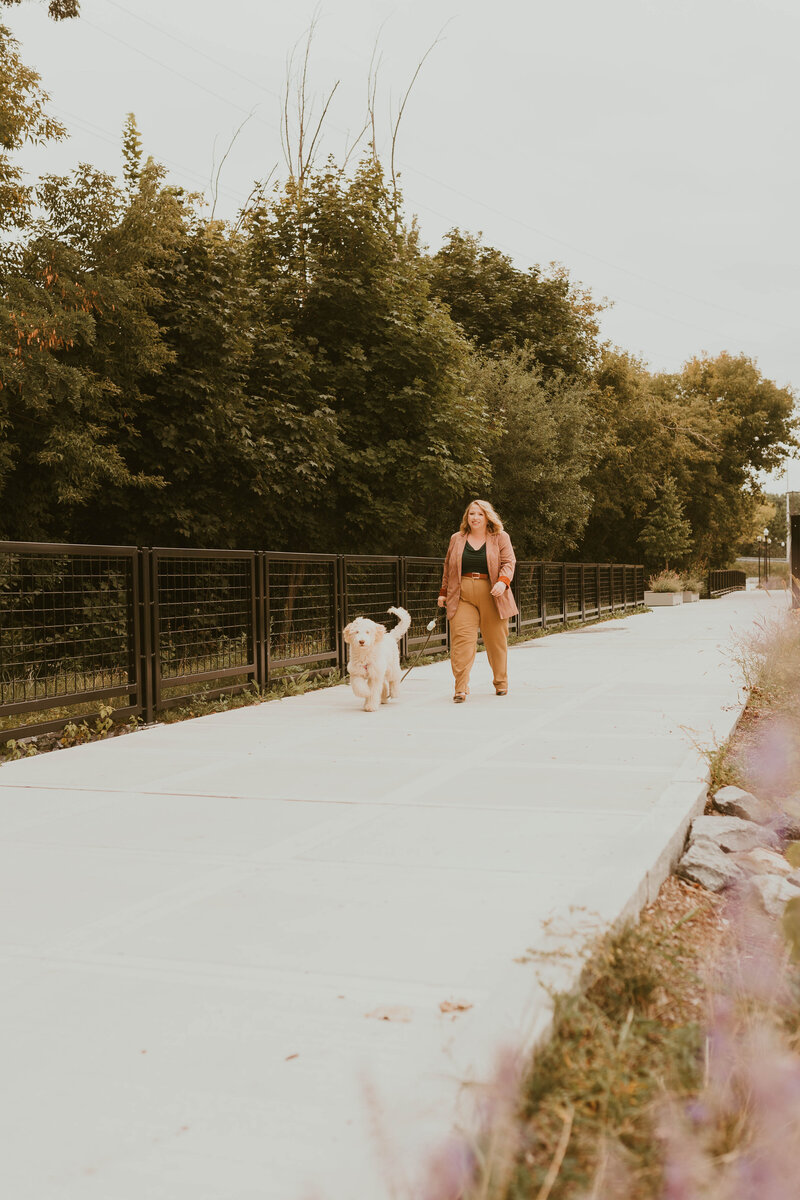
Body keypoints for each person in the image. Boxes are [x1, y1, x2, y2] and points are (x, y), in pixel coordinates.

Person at [438, 499, 518, 702]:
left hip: (493, 594)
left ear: (487, 516)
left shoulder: (500, 537)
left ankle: (501, 682)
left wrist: (503, 582)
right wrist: (443, 592)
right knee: (462, 641)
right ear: (467, 517)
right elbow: (448, 566)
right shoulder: (457, 538)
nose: (475, 517)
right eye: (471, 514)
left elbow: (509, 562)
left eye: (480, 514)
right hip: (462, 595)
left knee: (496, 640)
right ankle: (461, 688)